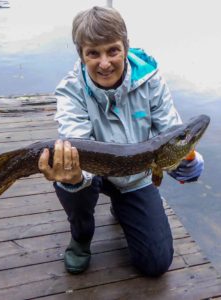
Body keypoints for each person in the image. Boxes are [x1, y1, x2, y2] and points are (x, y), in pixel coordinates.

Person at [38, 6, 204, 277]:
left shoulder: (151, 81)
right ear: (81, 55)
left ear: (126, 47)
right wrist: (73, 177)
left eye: (112, 50)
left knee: (156, 263)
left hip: (135, 177)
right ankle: (81, 237)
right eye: (93, 53)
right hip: (90, 176)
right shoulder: (71, 90)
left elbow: (172, 134)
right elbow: (76, 141)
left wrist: (188, 160)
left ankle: (122, 204)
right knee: (68, 178)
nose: (104, 63)